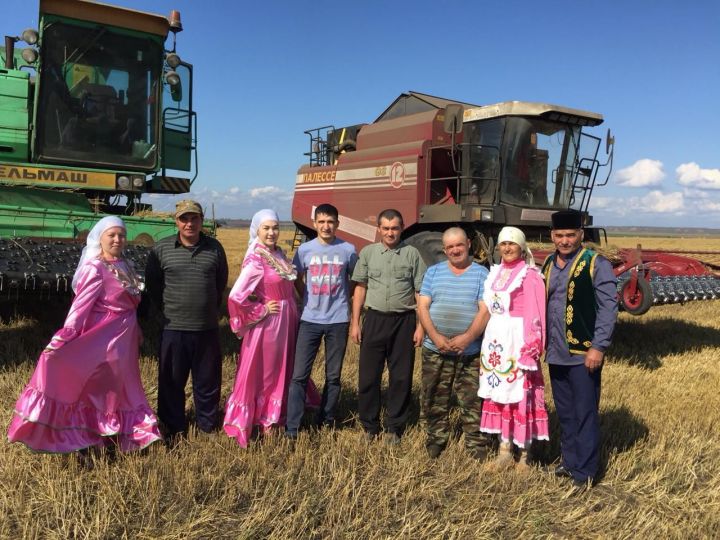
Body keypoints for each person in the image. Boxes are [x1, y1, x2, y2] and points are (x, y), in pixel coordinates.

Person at [7, 217, 162, 455]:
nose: (117, 239)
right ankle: (85, 439)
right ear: (100, 238)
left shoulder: (126, 265)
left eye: (121, 235)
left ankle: (115, 436)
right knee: (101, 390)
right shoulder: (95, 268)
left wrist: (137, 330)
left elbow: (131, 305)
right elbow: (80, 308)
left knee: (122, 388)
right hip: (104, 340)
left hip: (125, 340)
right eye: (112, 235)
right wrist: (64, 337)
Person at [223, 209, 320, 447]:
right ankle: (266, 419)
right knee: (268, 371)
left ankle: (279, 414)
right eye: (266, 228)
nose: (271, 232)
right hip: (270, 325)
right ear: (256, 230)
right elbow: (236, 297)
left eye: (275, 228)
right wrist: (261, 310)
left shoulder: (279, 254)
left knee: (284, 367)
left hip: (288, 320)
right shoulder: (256, 259)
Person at [542, 210, 617, 489]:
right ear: (551, 236)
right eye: (559, 235)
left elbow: (609, 308)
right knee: (565, 412)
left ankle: (585, 472)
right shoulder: (549, 263)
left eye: (570, 235)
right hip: (555, 352)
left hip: (583, 353)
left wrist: (598, 347)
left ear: (581, 235)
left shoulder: (596, 263)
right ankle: (570, 461)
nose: (564, 240)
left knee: (585, 411)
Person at [145, 200, 228, 440]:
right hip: (173, 328)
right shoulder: (161, 249)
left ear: (202, 221)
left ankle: (207, 426)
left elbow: (220, 283)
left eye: (194, 218)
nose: (189, 223)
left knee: (208, 381)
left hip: (207, 327)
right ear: (176, 221)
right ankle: (173, 427)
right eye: (184, 219)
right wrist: (165, 314)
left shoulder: (215, 248)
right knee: (171, 381)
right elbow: (154, 287)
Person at [350, 209, 426, 444]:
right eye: (386, 228)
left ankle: (394, 426)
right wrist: (355, 323)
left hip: (404, 321)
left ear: (401, 228)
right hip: (374, 320)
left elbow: (420, 292)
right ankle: (369, 426)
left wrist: (421, 327)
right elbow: (360, 288)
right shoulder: (369, 253)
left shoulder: (412, 254)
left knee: (401, 376)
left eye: (394, 228)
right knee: (368, 376)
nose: (390, 232)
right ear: (379, 229)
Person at [416, 227, 493, 459]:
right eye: (449, 247)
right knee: (434, 396)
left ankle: (476, 443)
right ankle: (436, 438)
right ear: (444, 249)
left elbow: (485, 309)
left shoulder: (482, 274)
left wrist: (468, 337)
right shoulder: (433, 272)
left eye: (459, 245)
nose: (455, 250)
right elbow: (423, 306)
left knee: (472, 398)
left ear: (468, 244)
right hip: (435, 349)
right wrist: (436, 337)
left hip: (469, 351)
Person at [478, 226, 549, 471]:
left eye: (512, 244)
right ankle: (504, 449)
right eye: (503, 244)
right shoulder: (495, 272)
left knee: (522, 395)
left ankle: (525, 455)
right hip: (496, 340)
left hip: (517, 340)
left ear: (521, 247)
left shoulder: (529, 275)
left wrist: (532, 346)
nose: (507, 248)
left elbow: (535, 312)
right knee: (500, 396)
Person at [285, 204, 357, 438]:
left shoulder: (348, 250)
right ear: (314, 223)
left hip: (338, 320)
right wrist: (304, 293)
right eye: (322, 221)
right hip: (309, 319)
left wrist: (346, 298)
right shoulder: (305, 250)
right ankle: (292, 427)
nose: (326, 226)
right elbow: (295, 277)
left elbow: (355, 279)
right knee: (299, 375)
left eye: (331, 222)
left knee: (333, 376)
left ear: (338, 223)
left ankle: (326, 419)